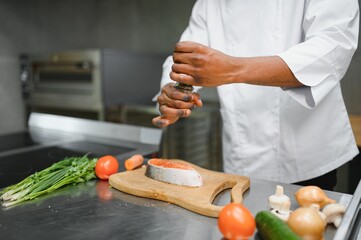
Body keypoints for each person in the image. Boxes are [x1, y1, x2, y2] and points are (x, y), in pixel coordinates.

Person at [152, 0, 360, 191]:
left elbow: (333, 45)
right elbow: (189, 55)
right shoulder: (210, 3)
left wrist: (233, 70)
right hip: (241, 158)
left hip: (307, 156)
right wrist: (174, 92)